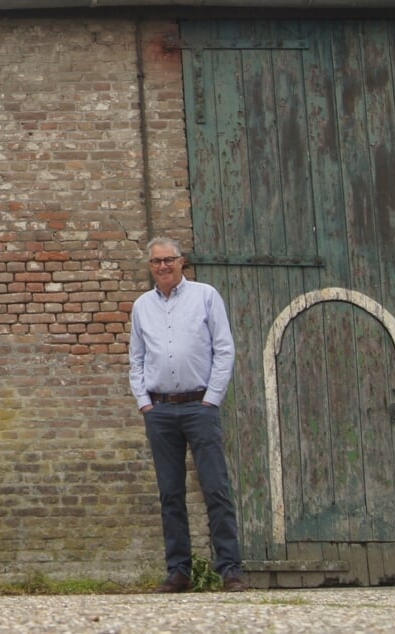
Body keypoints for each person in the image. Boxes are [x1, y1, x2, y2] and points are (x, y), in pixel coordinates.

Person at [128, 236, 246, 592]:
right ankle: (179, 571)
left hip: (199, 407)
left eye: (169, 260)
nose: (163, 266)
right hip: (160, 410)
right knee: (170, 494)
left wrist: (211, 399)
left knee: (216, 490)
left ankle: (230, 570)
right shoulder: (141, 306)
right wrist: (144, 402)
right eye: (156, 262)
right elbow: (136, 358)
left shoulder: (205, 296)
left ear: (182, 262)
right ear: (150, 267)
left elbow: (224, 349)